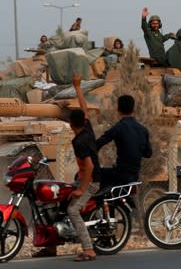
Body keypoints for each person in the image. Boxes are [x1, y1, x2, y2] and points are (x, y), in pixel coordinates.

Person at [32, 73, 101, 261]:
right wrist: (77, 87)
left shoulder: (80, 140)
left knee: (72, 210)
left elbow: (90, 166)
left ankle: (89, 249)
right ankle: (51, 246)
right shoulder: (86, 127)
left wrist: (81, 190)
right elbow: (84, 108)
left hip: (91, 181)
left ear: (70, 123)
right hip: (84, 178)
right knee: (56, 205)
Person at [96, 95, 152, 187]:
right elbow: (148, 154)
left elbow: (99, 143)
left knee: (96, 176)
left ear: (118, 109)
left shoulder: (118, 127)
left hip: (120, 174)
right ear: (133, 109)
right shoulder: (143, 129)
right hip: (134, 175)